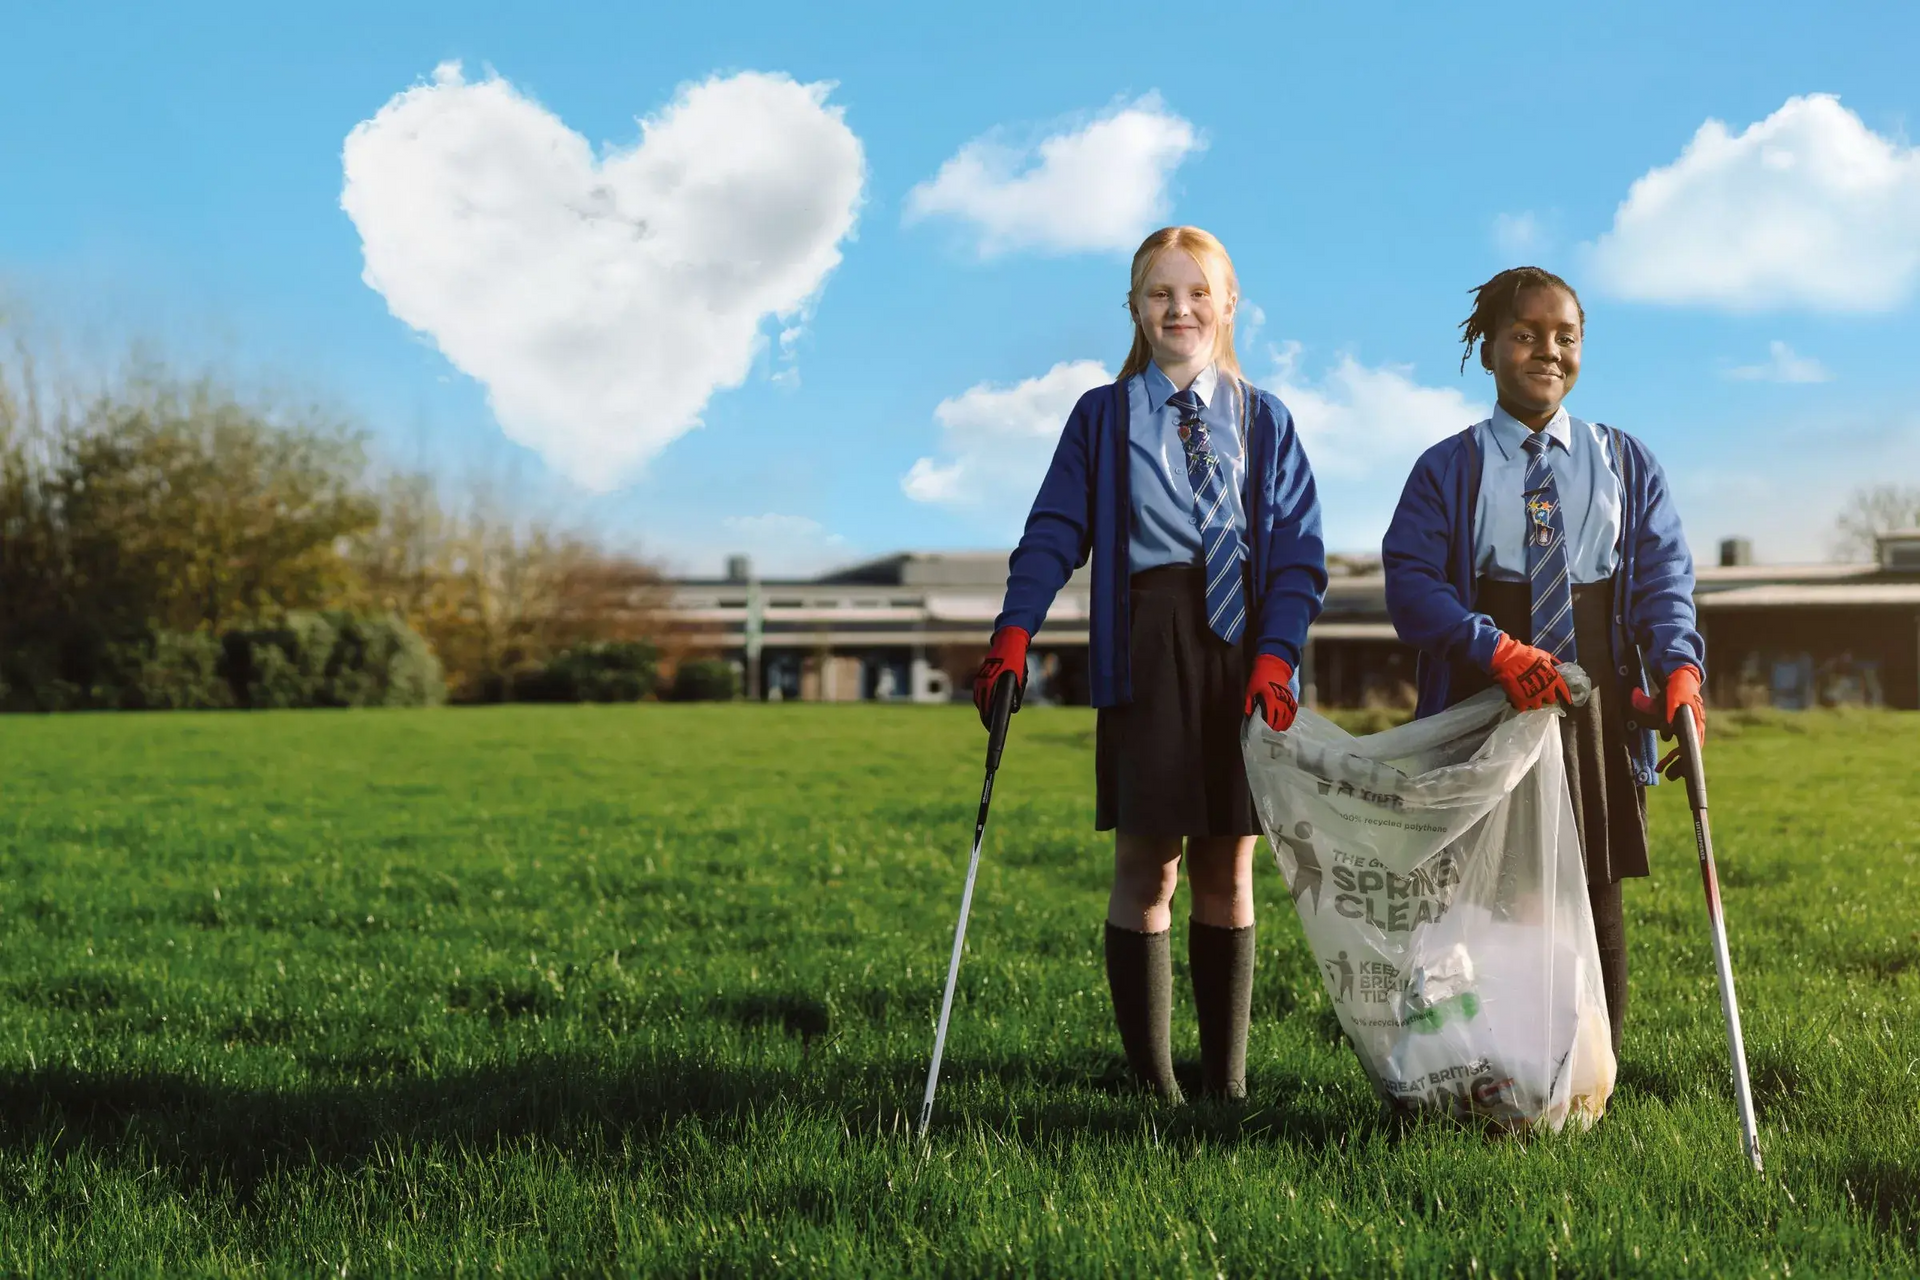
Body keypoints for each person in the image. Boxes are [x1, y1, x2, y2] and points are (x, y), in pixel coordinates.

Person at [973, 226, 1327, 1101]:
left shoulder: (1266, 418)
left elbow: (1298, 558)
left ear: (1229, 304)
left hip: (1242, 645)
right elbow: (1055, 531)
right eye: (1160, 294)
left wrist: (1276, 657)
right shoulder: (1102, 414)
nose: (1180, 309)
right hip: (1148, 636)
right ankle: (1154, 1085)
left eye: (1198, 292)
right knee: (1149, 861)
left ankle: (1226, 1087)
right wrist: (1014, 632)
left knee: (1228, 863)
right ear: (1134, 308)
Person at [1381, 266, 1705, 1057]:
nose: (1547, 352)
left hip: (1594, 705)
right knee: (1492, 892)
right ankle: (1492, 1071)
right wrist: (1492, 646)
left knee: (1596, 889)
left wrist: (1680, 670)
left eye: (1565, 337)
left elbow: (1664, 580)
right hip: (1487, 690)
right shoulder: (1446, 469)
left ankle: (1590, 1077)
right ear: (1487, 348)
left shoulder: (1625, 462)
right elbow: (1411, 585)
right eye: (1525, 335)